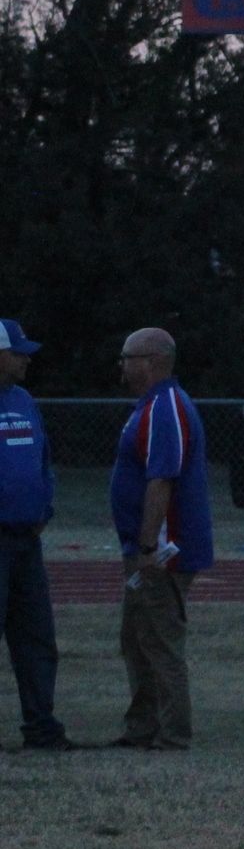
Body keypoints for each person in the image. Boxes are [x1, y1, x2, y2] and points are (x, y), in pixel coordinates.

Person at [111, 328, 213, 753]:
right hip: (149, 548)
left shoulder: (164, 407)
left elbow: (161, 479)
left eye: (127, 357)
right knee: (136, 638)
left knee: (159, 639)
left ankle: (171, 734)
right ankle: (143, 727)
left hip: (162, 551)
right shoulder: (152, 406)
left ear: (149, 361)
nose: (121, 364)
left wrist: (148, 545)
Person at [0, 319, 75, 752]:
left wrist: (44, 506)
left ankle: (41, 725)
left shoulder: (24, 400)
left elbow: (43, 460)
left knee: (36, 637)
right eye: (18, 351)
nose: (27, 358)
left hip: (26, 540)